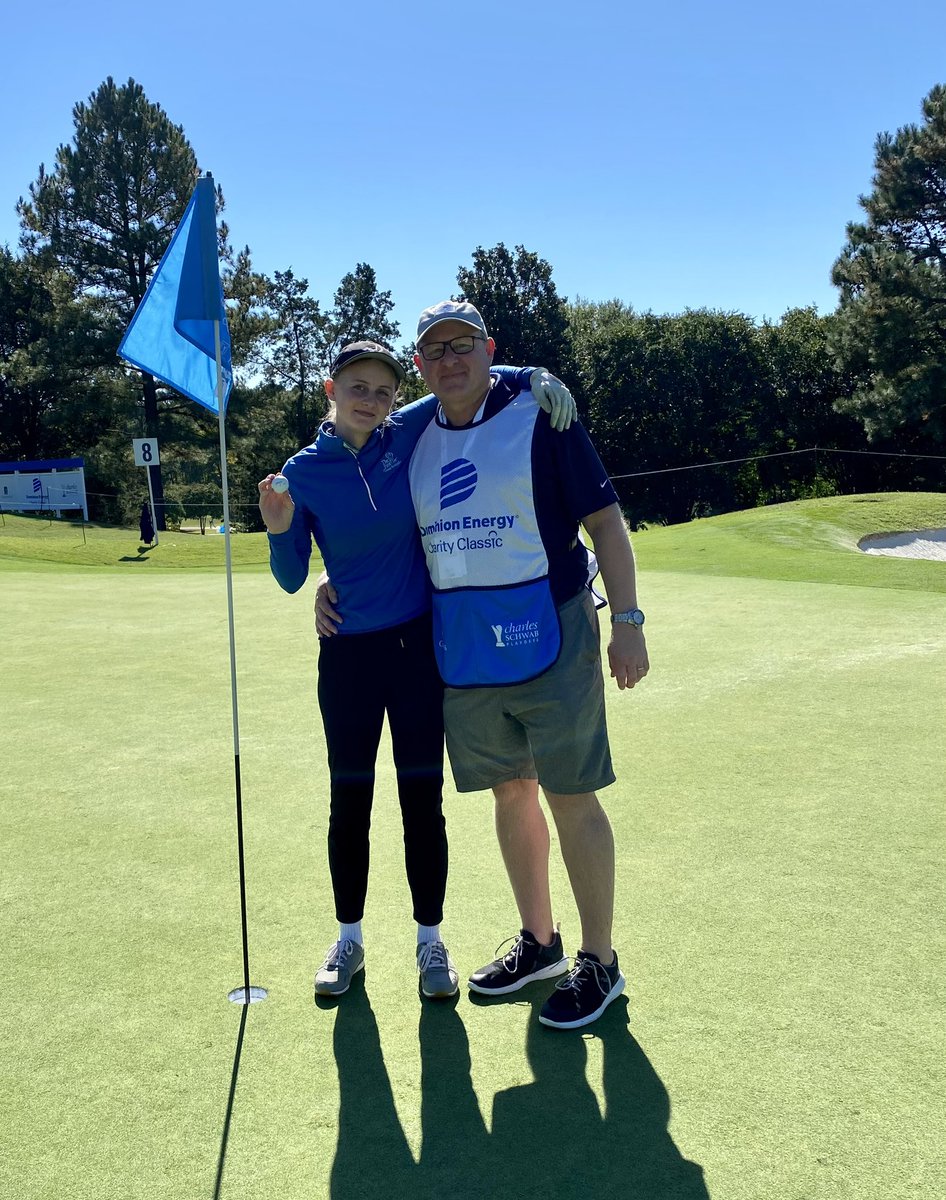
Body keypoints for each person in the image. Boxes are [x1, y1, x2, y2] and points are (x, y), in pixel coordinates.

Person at [321, 301, 649, 1029]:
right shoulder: (408, 429)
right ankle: (541, 943)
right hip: (464, 644)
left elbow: (605, 524)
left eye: (462, 346)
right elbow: (342, 442)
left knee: (571, 794)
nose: (449, 360)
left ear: (488, 348)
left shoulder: (541, 412)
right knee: (511, 792)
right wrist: (328, 575)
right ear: (418, 366)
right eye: (433, 350)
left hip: (553, 628)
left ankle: (601, 960)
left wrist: (627, 622)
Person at [260, 340, 575, 1002]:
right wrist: (278, 529)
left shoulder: (405, 435)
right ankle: (348, 940)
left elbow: (465, 381)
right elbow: (290, 577)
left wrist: (533, 374)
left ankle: (431, 942)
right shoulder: (300, 473)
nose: (370, 401)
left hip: (415, 651)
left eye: (382, 391)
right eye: (358, 388)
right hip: (347, 653)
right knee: (349, 802)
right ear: (330, 389)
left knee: (419, 803)